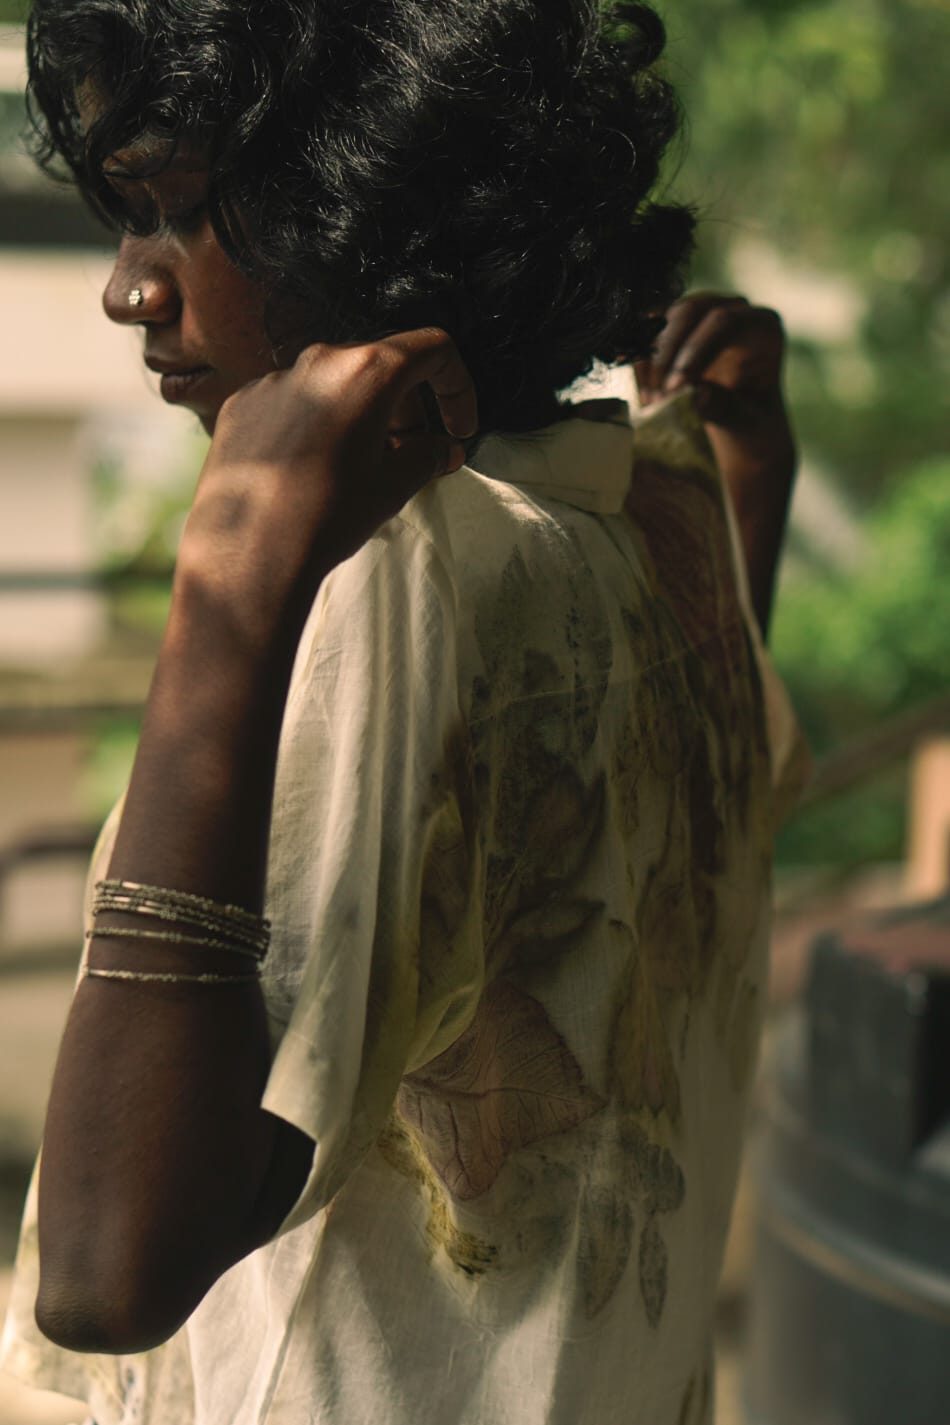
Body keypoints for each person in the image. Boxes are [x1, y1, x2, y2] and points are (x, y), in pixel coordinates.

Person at [1, 1, 806, 1422]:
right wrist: (743, 488)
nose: (130, 289)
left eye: (179, 212)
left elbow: (107, 1272)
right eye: (126, 219)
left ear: (367, 222)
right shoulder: (643, 518)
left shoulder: (392, 577)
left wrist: (234, 588)